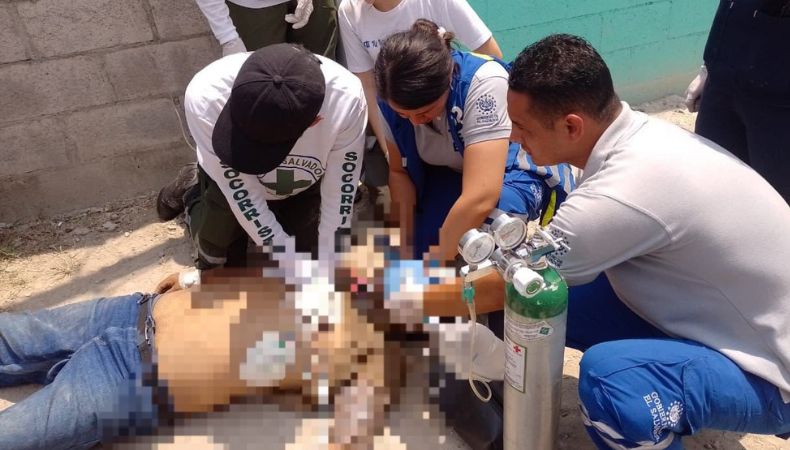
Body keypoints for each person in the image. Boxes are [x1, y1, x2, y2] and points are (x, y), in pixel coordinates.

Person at [506, 34, 790, 448]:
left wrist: (414, 296)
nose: (514, 138)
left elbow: (520, 279)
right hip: (744, 318)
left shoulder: (619, 192)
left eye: (522, 127)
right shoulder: (638, 137)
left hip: (776, 373)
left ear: (571, 126)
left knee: (610, 379)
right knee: (558, 302)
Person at [0, 227, 505, 450]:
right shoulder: (360, 272)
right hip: (136, 309)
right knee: (12, 334)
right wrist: (197, 278)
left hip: (131, 376)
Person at [374, 19, 574, 263]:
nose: (415, 122)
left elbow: (481, 196)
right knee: (420, 245)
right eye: (404, 115)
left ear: (447, 83)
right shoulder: (389, 95)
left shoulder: (482, 83)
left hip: (512, 171)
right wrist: (403, 245)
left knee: (491, 237)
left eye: (424, 112)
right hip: (453, 175)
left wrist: (432, 266)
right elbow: (400, 173)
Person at [156, 43, 366, 268]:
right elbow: (242, 194)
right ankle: (192, 189)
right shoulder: (207, 98)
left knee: (312, 258)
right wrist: (285, 256)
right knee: (219, 263)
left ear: (314, 122)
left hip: (302, 181)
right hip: (233, 177)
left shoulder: (347, 102)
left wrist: (330, 260)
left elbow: (339, 191)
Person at [338, 0, 503, 161]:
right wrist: (389, 151)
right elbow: (367, 84)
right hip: (403, 117)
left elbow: (490, 55)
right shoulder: (349, 10)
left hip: (446, 107)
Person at [684, 0, 790, 202]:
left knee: (776, 198)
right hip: (724, 79)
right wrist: (708, 68)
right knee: (713, 181)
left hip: (779, 101)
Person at [196, 0, 338, 59]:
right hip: (252, 11)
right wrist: (227, 36)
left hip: (313, 4)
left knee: (324, 71)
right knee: (266, 85)